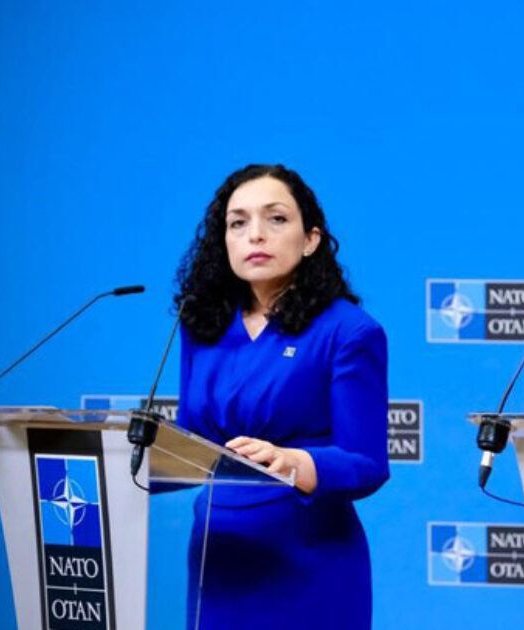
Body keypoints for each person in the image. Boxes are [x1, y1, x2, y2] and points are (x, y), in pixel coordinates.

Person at [173, 164, 389, 629]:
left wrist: (290, 461)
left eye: (276, 219)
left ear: (311, 239)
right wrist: (126, 458)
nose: (255, 235)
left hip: (308, 560)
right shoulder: (201, 325)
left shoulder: (349, 331)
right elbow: (190, 442)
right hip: (219, 557)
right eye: (238, 222)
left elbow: (367, 463)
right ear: (223, 242)